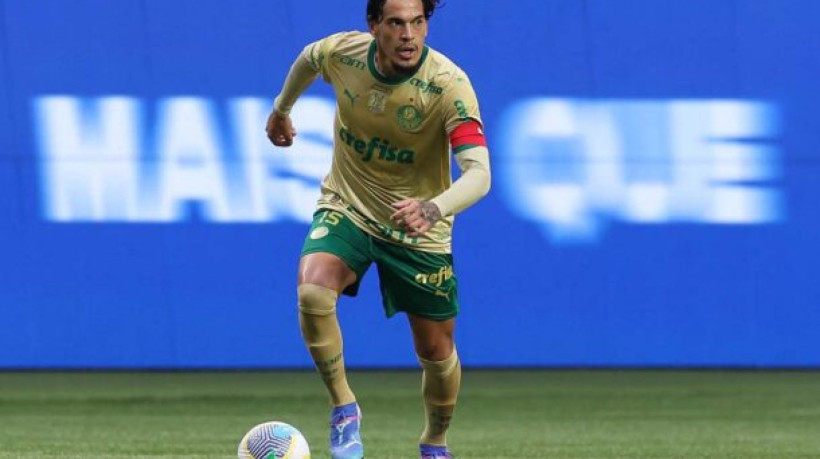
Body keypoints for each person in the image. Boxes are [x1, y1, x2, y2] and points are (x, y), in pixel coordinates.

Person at [266, 0, 490, 457]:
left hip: (418, 228)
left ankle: (434, 441)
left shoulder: (449, 86)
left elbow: (479, 175)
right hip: (347, 205)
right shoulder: (344, 53)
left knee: (437, 351)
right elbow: (309, 58)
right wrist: (281, 108)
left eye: (418, 22)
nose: (408, 35)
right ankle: (344, 408)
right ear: (374, 26)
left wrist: (433, 208)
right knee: (311, 292)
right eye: (396, 23)